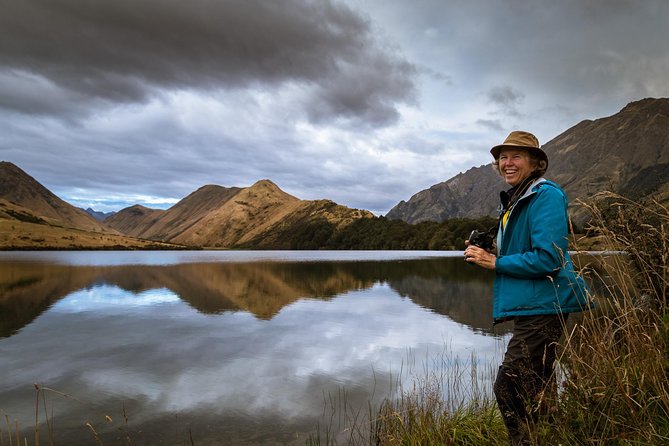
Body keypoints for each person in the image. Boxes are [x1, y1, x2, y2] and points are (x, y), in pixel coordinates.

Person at [463, 130, 590, 445]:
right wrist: (492, 250)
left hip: (546, 304)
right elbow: (528, 248)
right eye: (503, 157)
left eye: (516, 156)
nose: (507, 162)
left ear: (535, 163)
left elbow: (550, 258)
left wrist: (495, 263)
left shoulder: (545, 195)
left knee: (507, 385)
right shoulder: (519, 197)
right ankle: (554, 438)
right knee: (538, 387)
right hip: (534, 304)